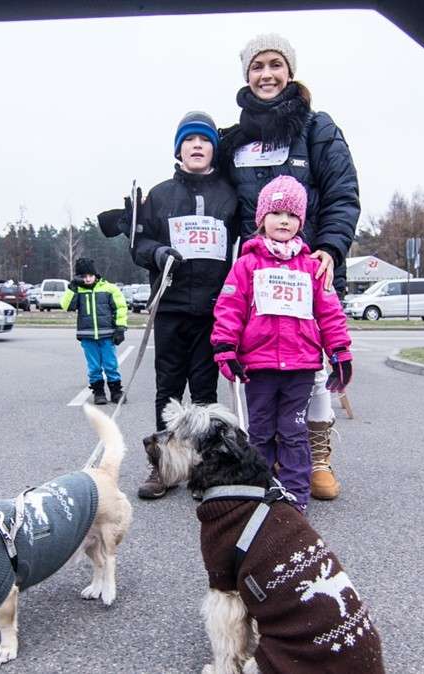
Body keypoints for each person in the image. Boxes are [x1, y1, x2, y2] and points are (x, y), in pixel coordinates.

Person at [218, 34, 361, 500]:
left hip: (310, 268)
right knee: (262, 377)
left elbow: (342, 192)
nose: (267, 74)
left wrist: (331, 249)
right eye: (257, 65)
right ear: (246, 75)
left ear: (289, 72)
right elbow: (217, 201)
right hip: (258, 275)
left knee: (310, 376)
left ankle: (316, 458)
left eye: (276, 64)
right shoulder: (233, 140)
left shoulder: (317, 128)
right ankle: (265, 466)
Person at [99, 111, 238, 500]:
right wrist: (159, 252)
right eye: (189, 140)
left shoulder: (229, 195)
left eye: (205, 140)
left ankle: (206, 468)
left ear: (214, 148)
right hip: (172, 307)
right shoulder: (160, 195)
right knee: (170, 391)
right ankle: (163, 467)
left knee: (206, 394)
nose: (197, 146)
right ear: (178, 149)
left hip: (214, 308)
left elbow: (245, 245)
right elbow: (138, 245)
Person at [211, 176, 352, 512]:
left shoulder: (312, 267)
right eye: (275, 213)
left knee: (293, 433)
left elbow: (330, 312)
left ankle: (294, 498)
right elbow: (230, 308)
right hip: (258, 368)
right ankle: (260, 493)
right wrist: (225, 348)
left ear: (301, 222)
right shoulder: (246, 265)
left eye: (291, 215)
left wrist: (340, 351)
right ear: (262, 220)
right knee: (258, 434)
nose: (284, 221)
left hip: (300, 367)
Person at [60, 258, 127, 406]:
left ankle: (116, 391)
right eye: (83, 276)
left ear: (95, 274)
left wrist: (120, 328)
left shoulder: (109, 288)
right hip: (88, 336)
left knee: (110, 364)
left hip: (107, 334)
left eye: (90, 275)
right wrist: (72, 288)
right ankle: (99, 392)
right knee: (94, 366)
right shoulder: (78, 290)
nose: (87, 278)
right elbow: (66, 306)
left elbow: (121, 308)